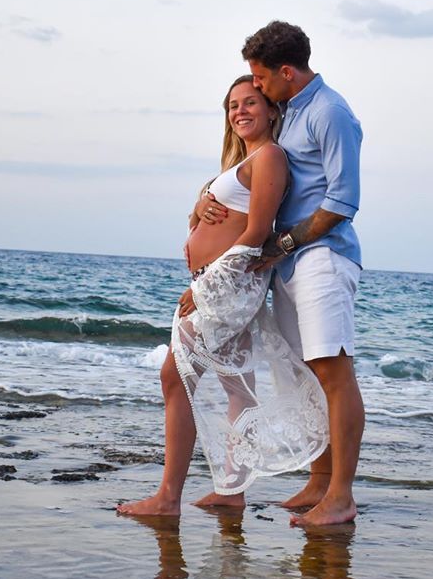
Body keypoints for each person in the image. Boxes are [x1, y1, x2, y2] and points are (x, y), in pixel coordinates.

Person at [116, 76, 329, 517]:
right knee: (238, 387)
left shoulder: (269, 156)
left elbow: (256, 232)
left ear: (271, 110)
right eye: (233, 105)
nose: (239, 112)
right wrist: (199, 208)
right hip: (221, 283)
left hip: (226, 286)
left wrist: (204, 286)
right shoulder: (243, 161)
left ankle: (168, 498)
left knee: (175, 378)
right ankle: (231, 490)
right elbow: (219, 218)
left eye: (250, 102)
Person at [242, 20, 365, 527]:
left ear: (287, 72)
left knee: (333, 372)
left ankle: (341, 496)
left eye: (261, 77)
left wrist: (284, 243)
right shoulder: (288, 112)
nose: (257, 86)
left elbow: (343, 201)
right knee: (305, 375)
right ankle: (319, 481)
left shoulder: (330, 112)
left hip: (323, 258)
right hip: (290, 264)